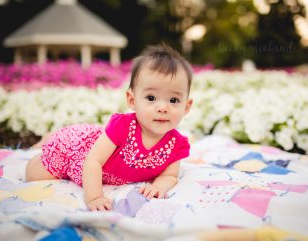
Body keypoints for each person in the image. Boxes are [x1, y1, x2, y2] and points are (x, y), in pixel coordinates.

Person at [25, 44, 193, 211]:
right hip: (76, 151)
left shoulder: (177, 144)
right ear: (132, 100)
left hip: (98, 160)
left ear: (186, 106)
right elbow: (94, 161)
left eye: (173, 100)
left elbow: (169, 175)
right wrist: (95, 197)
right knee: (33, 175)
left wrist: (158, 186)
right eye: (151, 97)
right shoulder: (123, 127)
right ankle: (46, 142)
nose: (163, 108)